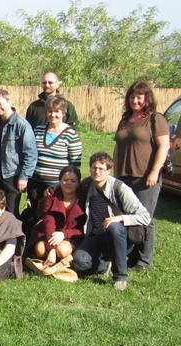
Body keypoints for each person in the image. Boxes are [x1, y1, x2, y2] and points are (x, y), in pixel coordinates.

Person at [72, 152, 151, 291]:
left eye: (101, 169)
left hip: (120, 236)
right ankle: (105, 264)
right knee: (79, 263)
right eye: (94, 168)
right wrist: (54, 188)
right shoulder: (87, 184)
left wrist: (120, 218)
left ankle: (120, 277)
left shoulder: (119, 188)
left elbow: (145, 216)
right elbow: (70, 188)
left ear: (109, 170)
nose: (97, 172)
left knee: (114, 226)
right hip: (96, 234)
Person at [113, 81, 170, 271]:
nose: (134, 100)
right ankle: (131, 255)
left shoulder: (155, 119)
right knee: (127, 216)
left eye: (139, 97)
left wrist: (154, 172)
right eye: (131, 96)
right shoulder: (125, 120)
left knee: (144, 218)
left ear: (147, 99)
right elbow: (118, 146)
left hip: (145, 177)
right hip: (124, 176)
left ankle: (144, 260)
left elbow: (164, 146)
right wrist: (115, 173)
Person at [28, 95, 83, 225]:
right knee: (36, 216)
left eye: (57, 111)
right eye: (50, 111)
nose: (53, 115)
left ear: (63, 113)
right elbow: (31, 154)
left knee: (51, 218)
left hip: (57, 185)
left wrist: (60, 184)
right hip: (36, 183)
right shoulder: (38, 130)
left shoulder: (71, 134)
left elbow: (75, 165)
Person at [0, 87, 37, 218]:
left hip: (12, 176)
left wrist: (24, 177)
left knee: (11, 213)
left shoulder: (21, 125)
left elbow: (30, 154)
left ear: (8, 101)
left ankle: (15, 232)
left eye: (0, 104)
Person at [28, 166, 85, 269]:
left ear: (78, 183)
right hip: (50, 233)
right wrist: (52, 249)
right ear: (60, 181)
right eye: (65, 180)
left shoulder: (83, 199)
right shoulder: (51, 197)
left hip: (72, 235)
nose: (69, 183)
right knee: (40, 249)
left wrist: (64, 234)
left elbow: (83, 228)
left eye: (73, 181)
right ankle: (53, 260)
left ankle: (64, 262)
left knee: (62, 250)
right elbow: (48, 223)